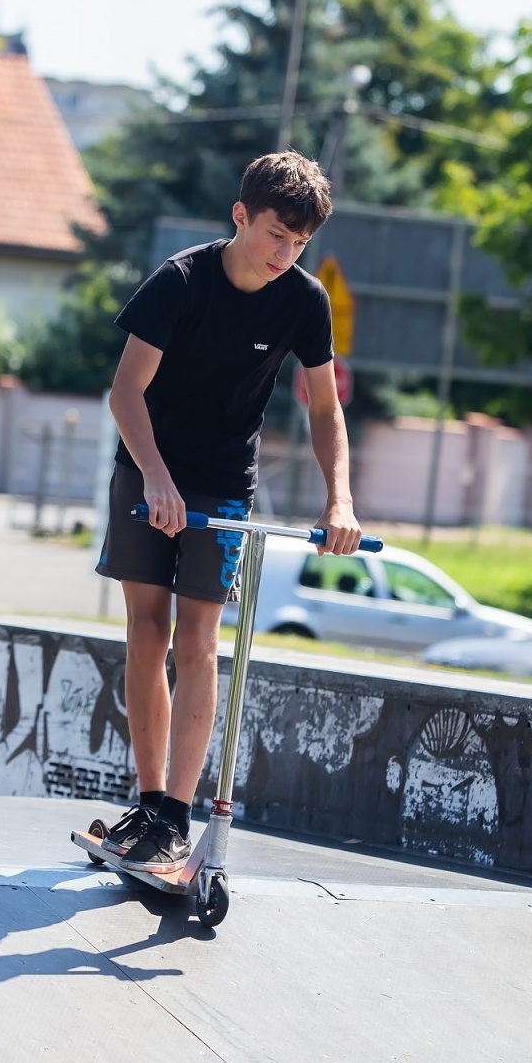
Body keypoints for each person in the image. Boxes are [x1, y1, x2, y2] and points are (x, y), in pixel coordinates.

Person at [93, 151, 364, 874]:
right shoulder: (180, 282)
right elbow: (125, 394)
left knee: (198, 638)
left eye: (300, 242)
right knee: (147, 632)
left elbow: (325, 409)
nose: (285, 253)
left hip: (220, 485)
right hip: (146, 467)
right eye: (276, 234)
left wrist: (339, 496)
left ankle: (174, 817)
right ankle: (149, 804)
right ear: (240, 216)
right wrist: (154, 478)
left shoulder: (304, 301)